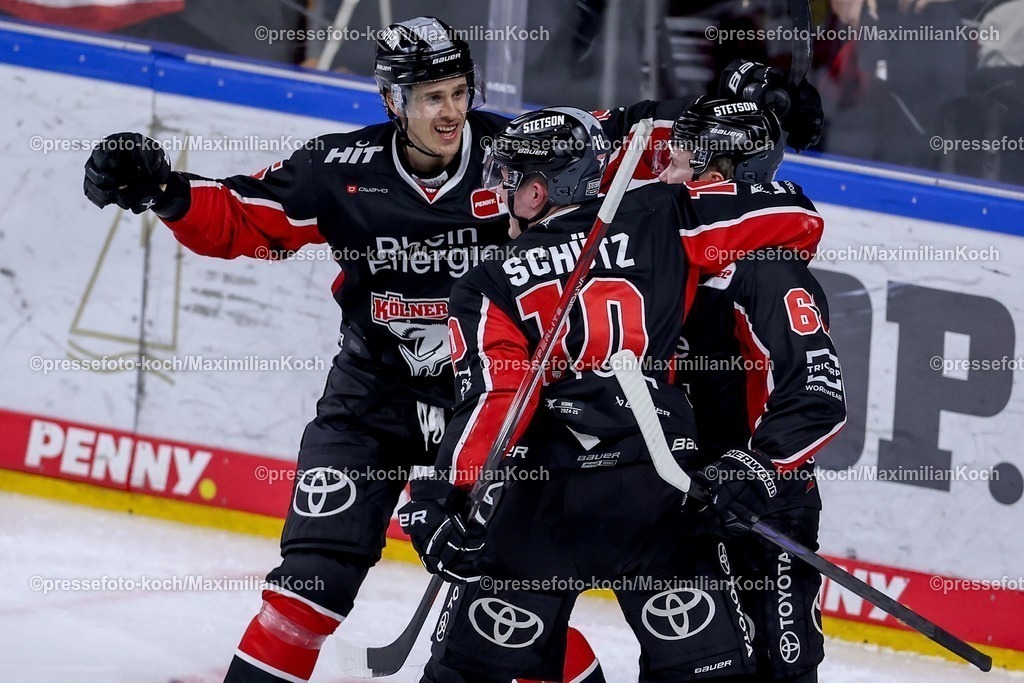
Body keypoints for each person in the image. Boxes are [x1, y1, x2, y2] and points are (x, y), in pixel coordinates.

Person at [83, 17, 792, 683]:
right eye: (430, 97)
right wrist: (166, 192)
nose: (450, 111)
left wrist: (738, 107)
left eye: (458, 93)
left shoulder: (517, 157)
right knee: (311, 582)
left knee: (515, 588)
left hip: (494, 408)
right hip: (376, 398)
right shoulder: (340, 168)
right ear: (393, 99)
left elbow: (634, 134)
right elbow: (246, 218)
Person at [399, 106, 827, 682]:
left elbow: (495, 403)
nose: (494, 195)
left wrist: (445, 494)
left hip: (545, 496)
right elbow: (795, 215)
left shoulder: (488, 280)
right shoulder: (659, 214)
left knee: (470, 671)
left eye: (505, 179)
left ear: (535, 191)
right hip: (660, 486)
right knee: (709, 670)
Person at [655, 97, 848, 682]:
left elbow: (818, 396)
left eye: (681, 156)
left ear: (720, 168)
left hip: (765, 505)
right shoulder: (670, 257)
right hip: (686, 498)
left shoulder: (768, 269)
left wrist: (753, 470)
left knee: (779, 669)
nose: (666, 169)